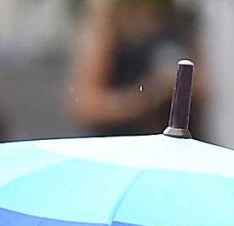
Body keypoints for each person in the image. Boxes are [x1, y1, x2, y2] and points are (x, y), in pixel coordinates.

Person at [68, 0, 197, 136]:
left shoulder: (175, 21)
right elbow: (86, 104)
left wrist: (176, 85)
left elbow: (203, 84)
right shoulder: (107, 28)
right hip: (120, 140)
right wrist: (144, 98)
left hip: (171, 139)